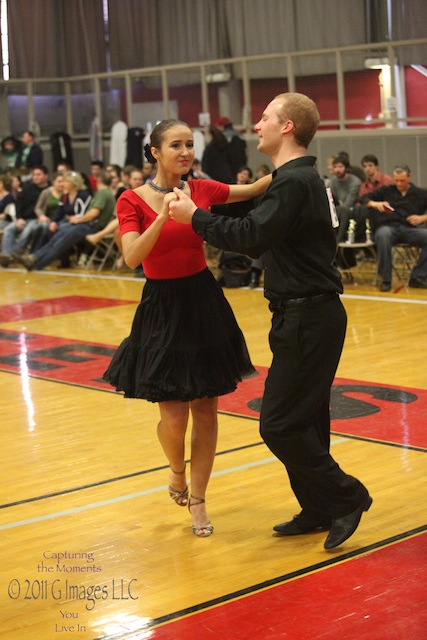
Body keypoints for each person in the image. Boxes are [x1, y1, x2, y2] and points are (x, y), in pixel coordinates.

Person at [168, 93, 372, 550]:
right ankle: (319, 507)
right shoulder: (294, 181)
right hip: (304, 314)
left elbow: (254, 237)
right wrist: (205, 201)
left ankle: (347, 497)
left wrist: (196, 217)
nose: (255, 126)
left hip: (309, 314)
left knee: (278, 424)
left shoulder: (294, 183)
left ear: (287, 128)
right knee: (308, 419)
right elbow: (256, 218)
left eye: (264, 118)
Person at [102, 118, 271, 538]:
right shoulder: (131, 199)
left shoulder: (204, 190)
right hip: (161, 307)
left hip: (203, 303)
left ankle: (198, 500)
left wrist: (291, 168)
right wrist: (163, 216)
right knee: (174, 417)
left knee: (207, 412)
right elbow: (130, 257)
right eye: (175, 145)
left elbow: (250, 191)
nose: (185, 152)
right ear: (155, 152)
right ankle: (176, 472)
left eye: (190, 145)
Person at [14, 171, 115, 271]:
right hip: (85, 224)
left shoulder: (102, 193)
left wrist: (79, 219)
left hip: (91, 226)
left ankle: (37, 263)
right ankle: (34, 258)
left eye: (66, 181)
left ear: (99, 180)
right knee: (57, 237)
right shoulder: (103, 193)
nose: (64, 184)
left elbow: (94, 213)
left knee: (60, 241)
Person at [359, 164, 427, 291]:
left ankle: (418, 276)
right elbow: (363, 198)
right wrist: (375, 204)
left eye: (403, 180)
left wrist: (422, 218)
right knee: (383, 235)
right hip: (389, 227)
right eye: (396, 180)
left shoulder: (420, 193)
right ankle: (386, 279)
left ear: (410, 177)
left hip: (410, 229)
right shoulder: (387, 190)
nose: (399, 183)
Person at [0, 165, 50, 265]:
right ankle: (5, 255)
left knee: (27, 230)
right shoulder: (27, 188)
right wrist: (19, 218)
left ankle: (13, 254)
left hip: (38, 219)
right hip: (24, 218)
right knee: (9, 229)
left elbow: (45, 208)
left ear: (46, 176)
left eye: (38, 174)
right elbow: (19, 204)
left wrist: (42, 217)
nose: (35, 177)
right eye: (34, 175)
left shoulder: (49, 190)